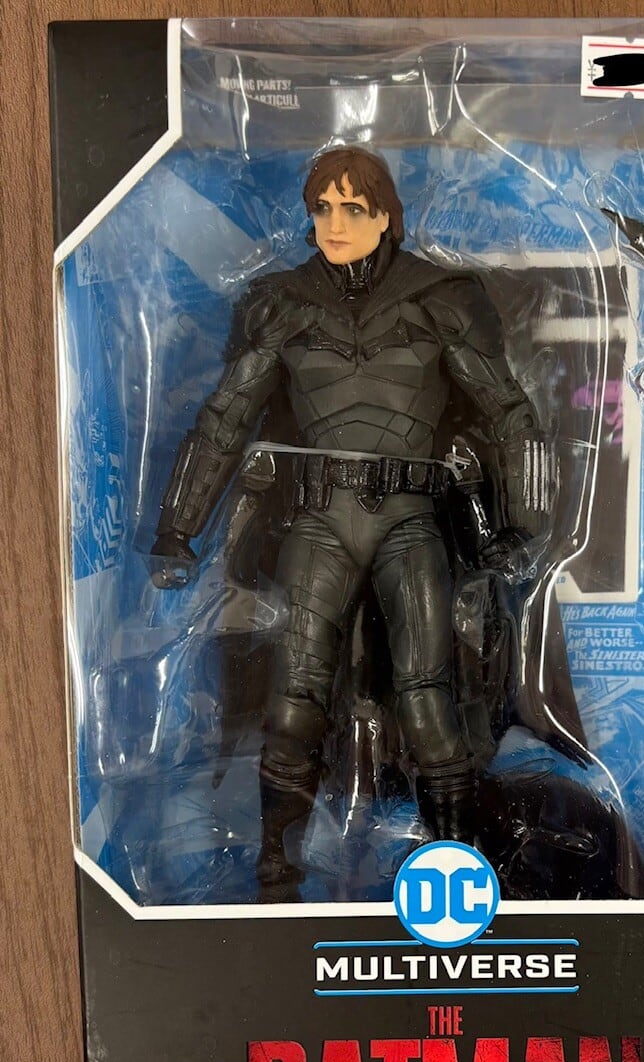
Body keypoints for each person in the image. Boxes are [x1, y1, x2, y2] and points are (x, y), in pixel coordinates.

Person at [150, 146, 553, 890]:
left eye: (353, 208)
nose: (334, 223)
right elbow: (225, 418)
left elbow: (509, 410)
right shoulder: (283, 303)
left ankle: (456, 859)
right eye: (322, 208)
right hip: (320, 519)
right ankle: (276, 861)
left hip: (410, 519)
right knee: (295, 700)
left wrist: (524, 527)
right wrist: (178, 529)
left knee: (428, 702)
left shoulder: (441, 298)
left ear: (386, 216)